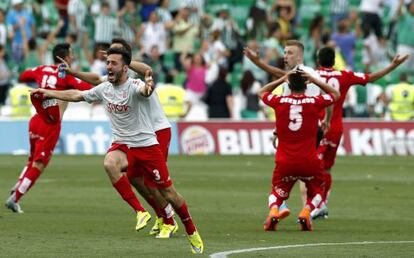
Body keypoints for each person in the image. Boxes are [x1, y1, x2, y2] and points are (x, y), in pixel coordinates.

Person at [31, 47, 204, 254]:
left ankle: (191, 230)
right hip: (126, 147)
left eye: (113, 63)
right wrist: (48, 92)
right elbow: (77, 95)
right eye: (108, 63)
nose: (108, 67)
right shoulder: (105, 88)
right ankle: (144, 213)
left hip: (148, 147)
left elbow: (145, 91)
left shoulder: (134, 86)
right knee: (115, 167)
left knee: (168, 192)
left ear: (125, 67)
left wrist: (149, 85)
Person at [58, 38, 178, 238]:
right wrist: (73, 72)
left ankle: (169, 220)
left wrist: (124, 60)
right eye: (109, 56)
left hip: (156, 130)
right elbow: (97, 79)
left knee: (150, 181)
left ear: (126, 58)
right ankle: (160, 214)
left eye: (115, 55)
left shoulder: (135, 77)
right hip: (135, 135)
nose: (110, 58)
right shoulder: (116, 80)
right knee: (133, 177)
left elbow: (148, 69)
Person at [311, 47, 409, 219]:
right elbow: (371, 77)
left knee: (313, 167)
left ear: (318, 60)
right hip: (336, 128)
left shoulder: (311, 75)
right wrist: (392, 66)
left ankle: (315, 204)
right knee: (326, 168)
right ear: (334, 61)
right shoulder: (345, 75)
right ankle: (323, 204)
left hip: (317, 127)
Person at [5, 43, 92, 213]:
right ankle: (15, 198)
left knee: (32, 159)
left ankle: (18, 187)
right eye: (72, 54)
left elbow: (24, 75)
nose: (73, 57)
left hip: (36, 119)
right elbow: (87, 88)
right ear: (65, 57)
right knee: (40, 163)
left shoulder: (42, 69)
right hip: (50, 123)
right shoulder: (66, 75)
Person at [244, 39, 328, 216]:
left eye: (289, 53)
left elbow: (282, 85)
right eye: (284, 52)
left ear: (299, 56)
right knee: (304, 173)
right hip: (298, 130)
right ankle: (307, 209)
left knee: (290, 170)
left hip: (305, 131)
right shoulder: (297, 74)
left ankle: (287, 205)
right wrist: (277, 130)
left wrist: (258, 63)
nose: (285, 56)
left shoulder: (304, 74)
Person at [259, 69, 340, 231]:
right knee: (318, 190)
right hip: (309, 161)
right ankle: (306, 211)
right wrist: (314, 80)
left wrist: (282, 79)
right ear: (306, 85)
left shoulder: (279, 101)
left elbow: (262, 92)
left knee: (276, 192)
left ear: (289, 85)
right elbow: (335, 94)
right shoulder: (314, 101)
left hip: (285, 161)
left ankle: (274, 209)